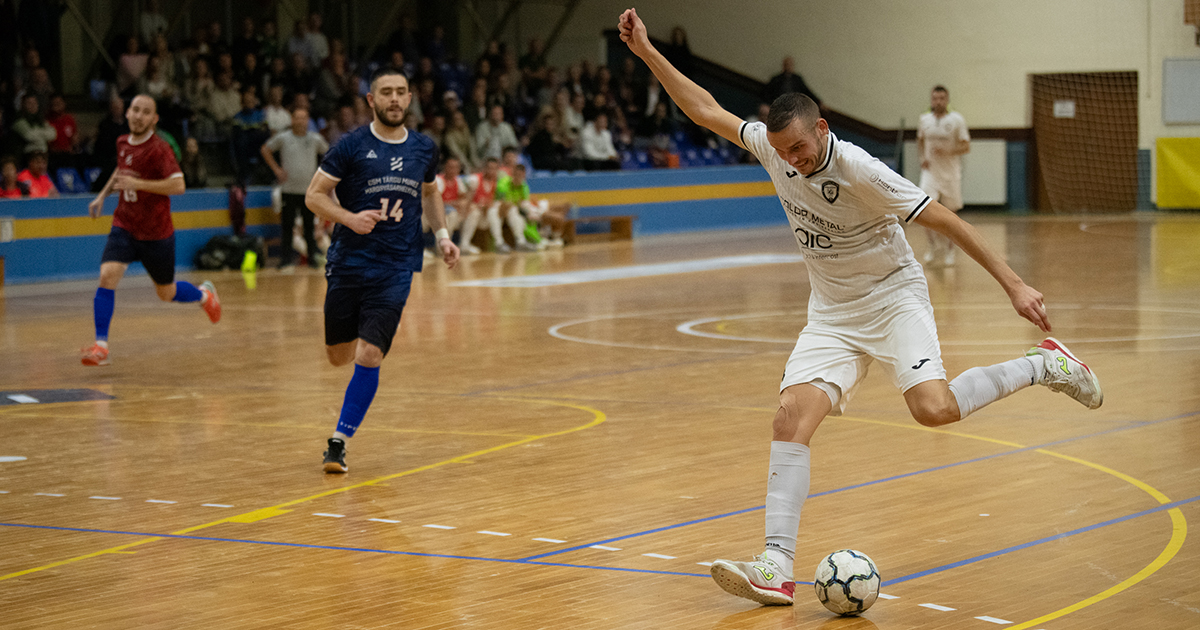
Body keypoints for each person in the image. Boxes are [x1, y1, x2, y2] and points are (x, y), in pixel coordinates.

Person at [617, 8, 1103, 606]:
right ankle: (775, 566)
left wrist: (1015, 286)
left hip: (893, 297)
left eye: (799, 147)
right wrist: (646, 51)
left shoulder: (859, 169)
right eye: (782, 151)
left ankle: (1044, 364)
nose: (791, 160)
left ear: (822, 129)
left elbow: (947, 221)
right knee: (789, 419)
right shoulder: (773, 148)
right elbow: (705, 109)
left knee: (934, 410)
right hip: (832, 312)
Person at [303, 67, 460, 473]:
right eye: (386, 92)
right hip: (349, 262)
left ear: (409, 99)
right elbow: (314, 196)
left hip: (396, 265)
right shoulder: (350, 146)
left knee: (370, 354)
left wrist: (442, 236)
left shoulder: (424, 148)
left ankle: (338, 442)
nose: (394, 99)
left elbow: (430, 193)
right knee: (338, 356)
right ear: (371, 100)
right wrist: (349, 218)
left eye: (401, 92)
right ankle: (358, 353)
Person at [81, 95, 221, 367]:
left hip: (156, 232)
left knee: (166, 293)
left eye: (146, 112)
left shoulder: (160, 149)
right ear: (127, 113)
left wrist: (140, 184)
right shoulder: (122, 142)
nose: (138, 116)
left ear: (154, 119)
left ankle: (204, 295)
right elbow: (121, 171)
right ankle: (101, 346)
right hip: (125, 225)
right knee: (107, 275)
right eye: (135, 110)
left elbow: (178, 185)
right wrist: (101, 196)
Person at [262, 107, 329, 269]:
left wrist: (323, 174)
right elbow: (265, 149)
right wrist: (277, 170)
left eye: (304, 118)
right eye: (297, 118)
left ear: (307, 121)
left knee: (309, 226)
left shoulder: (315, 139)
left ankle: (312, 258)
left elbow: (330, 153)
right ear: (292, 120)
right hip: (289, 189)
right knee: (287, 226)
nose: (300, 121)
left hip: (308, 191)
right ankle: (285, 260)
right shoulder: (284, 138)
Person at [917, 85, 971, 267]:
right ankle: (932, 246)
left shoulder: (957, 120)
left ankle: (950, 249)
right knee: (924, 209)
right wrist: (922, 158)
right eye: (935, 98)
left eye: (941, 98)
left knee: (951, 213)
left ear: (947, 100)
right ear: (931, 100)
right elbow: (920, 140)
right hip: (930, 174)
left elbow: (966, 146)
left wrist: (949, 151)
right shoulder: (924, 120)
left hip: (950, 174)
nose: (938, 102)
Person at [497, 164, 569, 247]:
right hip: (517, 213)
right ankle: (551, 237)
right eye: (516, 174)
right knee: (557, 217)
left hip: (529, 211)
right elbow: (507, 203)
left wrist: (531, 206)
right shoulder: (505, 184)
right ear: (513, 174)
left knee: (563, 209)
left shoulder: (524, 186)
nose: (518, 177)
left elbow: (525, 202)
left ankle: (554, 236)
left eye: (520, 175)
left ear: (524, 175)